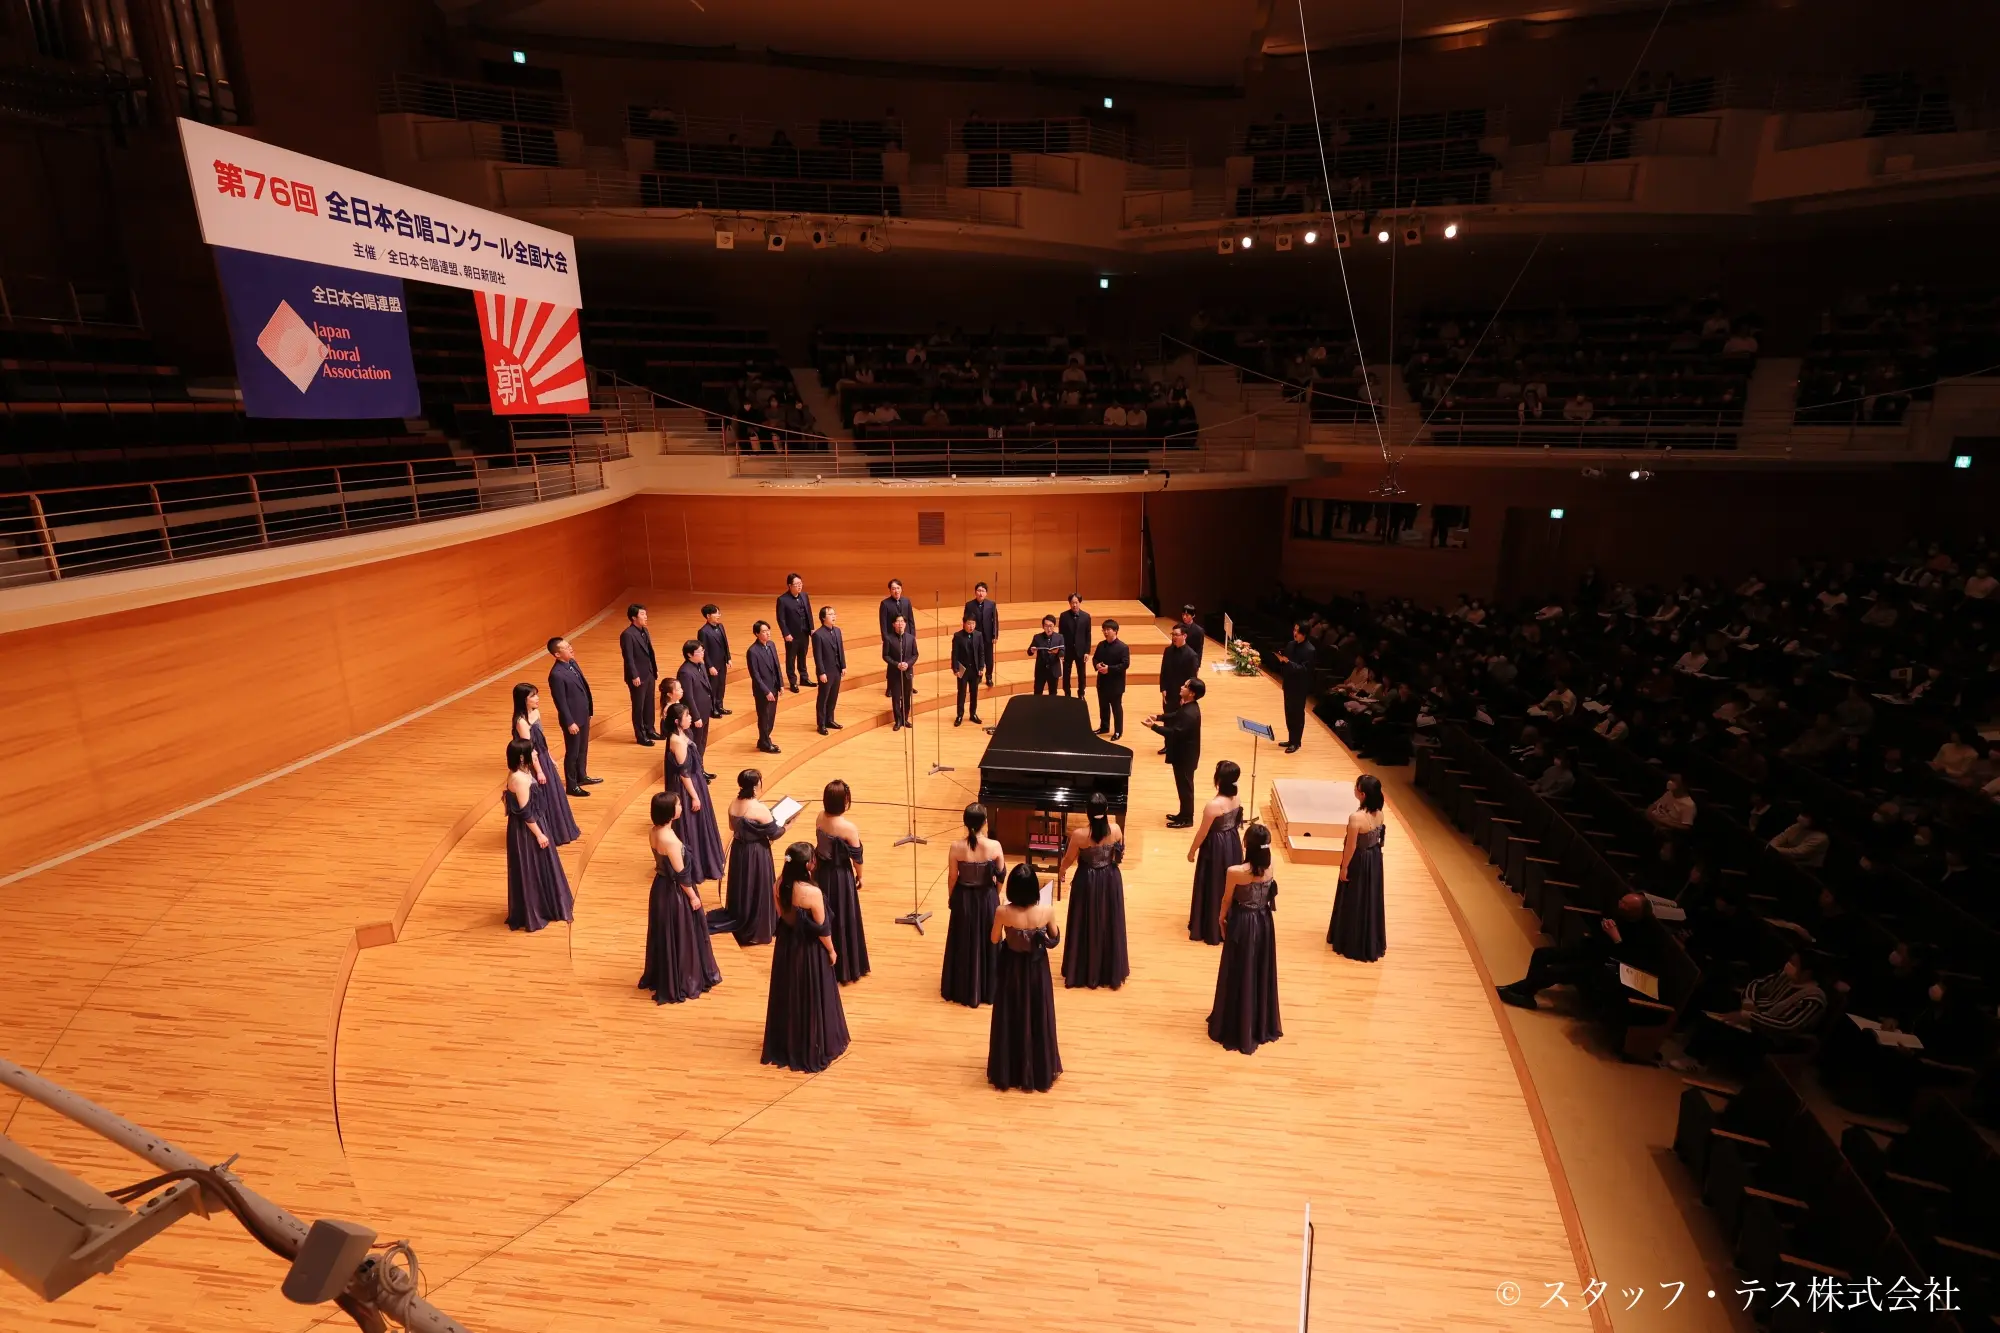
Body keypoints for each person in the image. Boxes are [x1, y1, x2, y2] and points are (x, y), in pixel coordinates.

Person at [761, 842, 850, 1073]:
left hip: (787, 947)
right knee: (810, 993)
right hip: (809, 950)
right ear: (808, 866)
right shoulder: (812, 893)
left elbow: (781, 915)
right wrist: (831, 950)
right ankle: (812, 1043)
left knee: (789, 992)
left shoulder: (779, 884)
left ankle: (790, 1040)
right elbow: (822, 929)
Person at [1495, 892, 1659, 1011]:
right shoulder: (1618, 913)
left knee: (1555, 971)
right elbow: (1596, 932)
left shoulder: (1645, 934)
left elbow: (1628, 961)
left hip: (1602, 967)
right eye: (1621, 901)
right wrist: (1602, 927)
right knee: (1541, 953)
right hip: (1590, 951)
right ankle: (1527, 993)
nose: (1620, 905)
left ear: (1636, 913)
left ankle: (1519, 990)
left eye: (1625, 905)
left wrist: (1616, 937)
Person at [638, 790, 721, 1003]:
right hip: (675, 892)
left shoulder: (654, 831)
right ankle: (685, 977)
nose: (681, 806)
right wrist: (693, 896)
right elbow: (682, 874)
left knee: (666, 933)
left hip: (660, 888)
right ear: (669, 811)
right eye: (677, 804)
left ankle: (667, 973)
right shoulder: (670, 841)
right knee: (682, 932)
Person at [1208, 823, 1282, 1054]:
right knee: (1258, 969)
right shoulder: (1270, 868)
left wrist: (1221, 920)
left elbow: (1226, 900)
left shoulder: (1236, 872)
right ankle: (1257, 1020)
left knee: (1238, 969)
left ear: (1246, 845)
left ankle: (1236, 1022)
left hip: (1243, 923)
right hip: (1264, 922)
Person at [988, 861, 1062, 1092]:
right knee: (1037, 1013)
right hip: (1037, 969)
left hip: (1011, 967)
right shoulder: (1046, 911)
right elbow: (1055, 938)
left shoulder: (1003, 912)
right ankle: (1036, 1068)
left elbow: (993, 940)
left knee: (1012, 1013)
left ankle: (1011, 1068)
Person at [1058, 792, 1129, 990]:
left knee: (1084, 920)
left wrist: (1061, 872)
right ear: (1106, 811)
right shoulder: (1115, 830)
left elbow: (1068, 859)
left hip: (1087, 881)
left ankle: (1083, 969)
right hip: (1110, 879)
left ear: (1087, 812)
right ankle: (1107, 970)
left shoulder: (1079, 835)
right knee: (1109, 920)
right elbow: (1118, 857)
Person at [503, 738, 573, 932]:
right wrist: (540, 834)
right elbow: (525, 812)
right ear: (523, 757)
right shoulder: (519, 778)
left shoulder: (522, 773)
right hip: (528, 830)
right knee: (532, 865)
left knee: (540, 866)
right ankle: (537, 908)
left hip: (533, 824)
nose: (536, 755)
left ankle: (544, 904)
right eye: (532, 752)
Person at [941, 803, 1006, 1007]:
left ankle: (962, 986)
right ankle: (988, 987)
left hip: (964, 899)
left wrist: (952, 898)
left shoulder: (956, 847)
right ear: (985, 822)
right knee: (988, 940)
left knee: (963, 940)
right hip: (986, 897)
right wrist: (994, 896)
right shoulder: (994, 846)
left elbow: (953, 877)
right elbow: (1001, 876)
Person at [723, 768, 792, 947]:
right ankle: (757, 927)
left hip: (739, 851)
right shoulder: (759, 808)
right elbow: (774, 833)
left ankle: (742, 918)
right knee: (757, 887)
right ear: (755, 786)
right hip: (756, 853)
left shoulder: (733, 803)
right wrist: (788, 827)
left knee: (742, 886)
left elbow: (732, 828)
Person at [662, 701, 725, 888]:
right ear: (677, 721)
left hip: (696, 781)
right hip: (687, 788)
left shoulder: (684, 734)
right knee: (691, 825)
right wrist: (695, 796)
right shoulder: (676, 741)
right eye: (686, 716)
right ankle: (696, 866)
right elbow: (684, 774)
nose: (690, 718)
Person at [511, 682, 580, 847]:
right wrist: (540, 771)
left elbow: (541, 740)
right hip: (535, 763)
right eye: (532, 696)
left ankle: (560, 829)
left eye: (536, 694)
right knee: (545, 796)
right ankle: (550, 832)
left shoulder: (535, 713)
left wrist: (550, 757)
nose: (537, 698)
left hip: (543, 758)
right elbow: (529, 750)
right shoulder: (521, 722)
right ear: (523, 700)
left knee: (554, 795)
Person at [1326, 774, 1387, 961]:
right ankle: (1367, 937)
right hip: (1374, 858)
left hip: (1360, 860)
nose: (1354, 789)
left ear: (1362, 794)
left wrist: (1344, 868)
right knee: (1369, 897)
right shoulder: (1380, 813)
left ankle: (1350, 939)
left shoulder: (1356, 818)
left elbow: (1350, 847)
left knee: (1355, 897)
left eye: (1356, 787)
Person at [815, 779, 869, 984]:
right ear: (844, 802)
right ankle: (846, 966)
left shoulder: (820, 817)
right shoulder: (848, 828)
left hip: (821, 873)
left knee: (824, 915)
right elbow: (857, 857)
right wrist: (860, 876)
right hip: (840, 876)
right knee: (843, 916)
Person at [1187, 759, 1245, 945]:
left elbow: (1202, 833)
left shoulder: (1213, 805)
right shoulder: (1237, 799)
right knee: (1228, 884)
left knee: (1214, 883)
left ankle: (1211, 926)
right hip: (1232, 843)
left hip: (1216, 847)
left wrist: (1192, 851)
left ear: (1218, 780)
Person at [1145, 676, 1206, 828]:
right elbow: (1175, 715)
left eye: (1185, 686)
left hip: (1185, 757)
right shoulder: (1188, 707)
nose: (1181, 687)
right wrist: (1159, 717)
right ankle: (1183, 814)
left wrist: (1153, 727)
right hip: (1183, 754)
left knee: (1186, 789)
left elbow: (1173, 733)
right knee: (1183, 787)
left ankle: (1187, 819)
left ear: (1191, 693)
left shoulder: (1189, 713)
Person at [546, 636, 598, 796]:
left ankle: (582, 775)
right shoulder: (556, 674)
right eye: (566, 648)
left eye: (569, 645)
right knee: (573, 752)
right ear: (557, 655)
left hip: (583, 714)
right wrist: (569, 722)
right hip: (573, 720)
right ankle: (572, 785)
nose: (570, 648)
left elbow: (583, 687)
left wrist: (589, 709)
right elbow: (560, 702)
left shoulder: (572, 664)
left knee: (583, 748)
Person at [1273, 621, 1316, 752]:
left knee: (1297, 715)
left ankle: (1296, 742)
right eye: (1294, 630)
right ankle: (1291, 739)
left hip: (1300, 687)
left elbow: (1305, 670)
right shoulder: (1291, 645)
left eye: (1298, 631)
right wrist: (1281, 659)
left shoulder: (1310, 650)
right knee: (1288, 712)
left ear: (1304, 633)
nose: (1295, 633)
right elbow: (1286, 661)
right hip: (1289, 683)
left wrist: (1288, 662)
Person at [619, 603, 659, 744]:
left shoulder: (644, 631)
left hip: (648, 673)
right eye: (642, 614)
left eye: (645, 614)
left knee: (649, 703)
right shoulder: (627, 635)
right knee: (639, 706)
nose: (645, 617)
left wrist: (654, 669)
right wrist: (634, 675)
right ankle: (641, 736)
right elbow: (628, 657)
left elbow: (649, 652)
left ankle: (650, 729)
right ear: (633, 617)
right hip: (637, 676)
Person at [1158, 624, 1198, 756]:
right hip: (1168, 692)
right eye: (1172, 634)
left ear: (1184, 636)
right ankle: (1168, 745)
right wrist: (1163, 688)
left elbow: (1192, 679)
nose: (1174, 637)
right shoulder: (1168, 651)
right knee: (1167, 720)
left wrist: (1185, 698)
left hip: (1182, 694)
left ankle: (1178, 747)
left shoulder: (1191, 655)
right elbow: (1163, 671)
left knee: (1179, 721)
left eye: (1176, 634)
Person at [746, 620, 783, 754]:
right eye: (764, 631)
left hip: (774, 687)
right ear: (757, 634)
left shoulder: (771, 645)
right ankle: (765, 743)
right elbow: (755, 675)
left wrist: (781, 684)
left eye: (768, 630)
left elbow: (776, 666)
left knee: (771, 717)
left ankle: (764, 740)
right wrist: (766, 691)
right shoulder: (752, 651)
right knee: (764, 717)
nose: (768, 633)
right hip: (763, 691)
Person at [675, 639, 714, 766]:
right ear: (689, 654)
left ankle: (700, 768)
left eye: (703, 650)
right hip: (696, 715)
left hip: (705, 711)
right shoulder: (685, 672)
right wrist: (696, 716)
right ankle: (694, 770)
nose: (703, 653)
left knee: (702, 742)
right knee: (695, 743)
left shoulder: (701, 665)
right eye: (699, 651)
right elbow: (688, 697)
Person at [775, 573, 814, 692]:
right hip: (792, 635)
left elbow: (809, 613)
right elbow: (781, 619)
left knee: (803, 656)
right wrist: (786, 634)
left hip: (804, 632)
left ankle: (804, 678)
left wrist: (812, 628)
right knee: (791, 659)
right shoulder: (782, 600)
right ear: (789, 585)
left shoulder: (804, 595)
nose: (799, 586)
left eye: (800, 583)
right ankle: (793, 682)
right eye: (796, 584)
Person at [1092, 618, 1130, 739]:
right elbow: (1095, 658)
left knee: (1116, 708)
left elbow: (1125, 664)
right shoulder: (1101, 645)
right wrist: (1096, 665)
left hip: (1115, 684)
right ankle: (1104, 727)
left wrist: (1109, 669)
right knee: (1103, 706)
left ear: (1116, 631)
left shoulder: (1123, 647)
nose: (1105, 632)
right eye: (1104, 629)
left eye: (1108, 629)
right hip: (1102, 682)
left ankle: (1118, 731)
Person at [812, 605, 845, 734]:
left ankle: (829, 720)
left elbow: (840, 650)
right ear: (823, 618)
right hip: (826, 671)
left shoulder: (837, 631)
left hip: (837, 669)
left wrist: (843, 665)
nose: (833, 616)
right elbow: (818, 656)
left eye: (834, 613)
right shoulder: (818, 635)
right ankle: (821, 724)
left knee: (833, 696)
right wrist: (821, 672)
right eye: (830, 614)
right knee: (823, 698)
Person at [951, 613, 988, 726]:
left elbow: (981, 652)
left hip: (975, 669)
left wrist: (981, 667)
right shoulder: (957, 636)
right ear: (964, 624)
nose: (971, 626)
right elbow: (955, 654)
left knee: (974, 693)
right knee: (961, 693)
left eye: (973, 624)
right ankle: (960, 715)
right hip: (962, 669)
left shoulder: (978, 635)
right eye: (969, 624)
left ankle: (973, 714)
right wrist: (955, 668)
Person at [883, 612, 918, 730]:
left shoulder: (911, 638)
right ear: (893, 624)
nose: (900, 624)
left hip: (907, 672)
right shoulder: (888, 639)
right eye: (898, 622)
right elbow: (885, 656)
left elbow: (915, 655)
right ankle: (898, 720)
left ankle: (905, 719)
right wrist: (897, 664)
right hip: (894, 672)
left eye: (902, 622)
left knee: (907, 697)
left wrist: (907, 664)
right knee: (896, 698)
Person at [697, 604, 733, 717]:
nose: (719, 615)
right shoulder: (703, 631)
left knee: (721, 685)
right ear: (708, 616)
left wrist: (728, 658)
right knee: (713, 686)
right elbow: (704, 651)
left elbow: (725, 644)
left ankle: (719, 706)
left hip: (722, 662)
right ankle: (712, 709)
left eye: (719, 612)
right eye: (716, 613)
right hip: (713, 664)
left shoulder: (721, 626)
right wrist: (710, 666)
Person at [965, 581, 1000, 687]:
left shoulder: (991, 604)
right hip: (975, 636)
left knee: (989, 658)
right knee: (976, 657)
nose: (981, 593)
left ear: (986, 593)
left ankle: (989, 677)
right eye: (979, 590)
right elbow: (966, 621)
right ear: (975, 592)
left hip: (988, 636)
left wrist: (995, 635)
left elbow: (995, 621)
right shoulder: (969, 605)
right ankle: (978, 676)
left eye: (983, 591)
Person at [1058, 593, 1092, 696]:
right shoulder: (1064, 616)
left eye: (1076, 603)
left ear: (1080, 603)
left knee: (1081, 674)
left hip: (1081, 650)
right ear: (1069, 603)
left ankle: (1081, 693)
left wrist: (1087, 651)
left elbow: (1088, 634)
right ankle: (1067, 694)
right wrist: (1061, 651)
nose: (1074, 605)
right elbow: (1061, 635)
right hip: (1067, 650)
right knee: (1066, 675)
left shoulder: (1086, 616)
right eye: (1072, 603)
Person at [878, 577, 915, 664]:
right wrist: (886, 640)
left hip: (906, 637)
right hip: (892, 638)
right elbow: (883, 624)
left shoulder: (907, 601)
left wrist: (912, 636)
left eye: (898, 588)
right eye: (893, 589)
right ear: (890, 590)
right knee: (895, 662)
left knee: (908, 661)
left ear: (901, 589)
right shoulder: (885, 604)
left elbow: (911, 620)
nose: (896, 591)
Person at [1027, 614, 1064, 697]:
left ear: (1054, 626)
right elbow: (1029, 652)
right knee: (1037, 693)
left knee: (1053, 694)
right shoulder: (1037, 637)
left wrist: (1058, 653)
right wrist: (1031, 650)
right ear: (1043, 626)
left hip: (1054, 670)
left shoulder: (1059, 637)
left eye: (1051, 626)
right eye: (1046, 626)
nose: (1049, 628)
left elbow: (1062, 651)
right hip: (1041, 670)